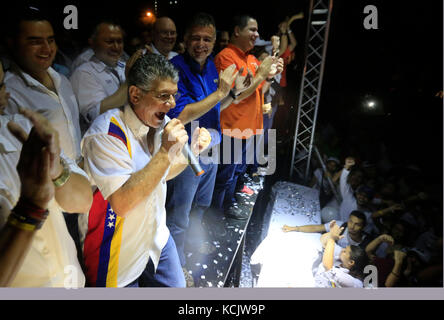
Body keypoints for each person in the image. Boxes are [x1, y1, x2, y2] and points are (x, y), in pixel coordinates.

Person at [79, 53, 211, 287]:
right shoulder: (107, 133)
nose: (171, 104)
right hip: (116, 248)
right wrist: (165, 151)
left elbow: (162, 175)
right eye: (163, 96)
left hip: (156, 234)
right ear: (135, 94)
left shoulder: (159, 123)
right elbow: (121, 203)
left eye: (173, 95)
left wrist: (192, 150)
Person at [164, 13, 242, 286]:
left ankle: (192, 246)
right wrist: (221, 93)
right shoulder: (173, 67)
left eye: (207, 39)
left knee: (202, 205)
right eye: (195, 37)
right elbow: (182, 113)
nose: (201, 43)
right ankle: (177, 266)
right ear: (185, 39)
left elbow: (215, 108)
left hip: (213, 146)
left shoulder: (211, 68)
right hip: (186, 153)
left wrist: (230, 94)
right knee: (179, 213)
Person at [0, 72, 93, 286]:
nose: (3, 94)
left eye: (1, 85)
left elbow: (82, 201)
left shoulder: (21, 127)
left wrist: (57, 173)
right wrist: (30, 206)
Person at [211, 14, 283, 220]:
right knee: (223, 176)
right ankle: (214, 216)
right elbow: (236, 93)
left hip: (247, 129)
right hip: (231, 127)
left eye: (257, 30)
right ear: (237, 31)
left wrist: (269, 75)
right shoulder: (226, 57)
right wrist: (261, 74)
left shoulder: (250, 59)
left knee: (234, 173)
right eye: (252, 29)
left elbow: (257, 88)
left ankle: (227, 205)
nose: (257, 34)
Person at [4, 6, 82, 164]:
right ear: (12, 43)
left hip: (80, 179)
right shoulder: (7, 93)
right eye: (35, 42)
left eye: (51, 40)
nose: (47, 49)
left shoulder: (63, 81)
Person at [70, 20, 142, 132]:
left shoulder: (123, 66)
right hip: (103, 141)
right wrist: (129, 80)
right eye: (109, 42)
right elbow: (96, 115)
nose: (116, 47)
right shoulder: (83, 73)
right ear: (92, 44)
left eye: (119, 41)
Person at [314, 221, 369, 288]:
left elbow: (327, 266)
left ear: (351, 262)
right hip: (314, 277)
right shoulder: (342, 258)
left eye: (345, 251)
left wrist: (332, 239)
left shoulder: (353, 282)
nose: (342, 250)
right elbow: (323, 241)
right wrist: (331, 234)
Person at [282, 210, 372, 251]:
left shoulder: (366, 243)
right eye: (350, 221)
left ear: (363, 227)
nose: (352, 226)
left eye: (357, 224)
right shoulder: (340, 226)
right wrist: (295, 228)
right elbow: (317, 228)